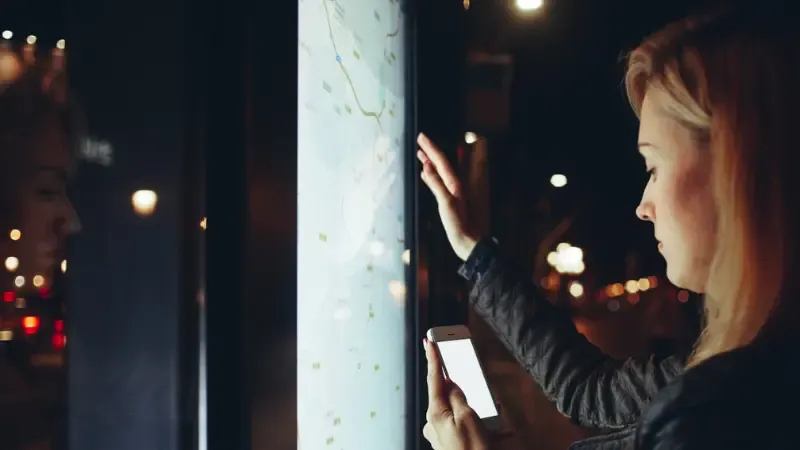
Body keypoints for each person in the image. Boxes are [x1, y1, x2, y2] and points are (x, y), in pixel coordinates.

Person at [419, 4, 800, 449]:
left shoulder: (717, 418)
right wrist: (476, 249)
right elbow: (588, 389)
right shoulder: (736, 373)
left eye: (653, 166)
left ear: (736, 170)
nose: (643, 205)